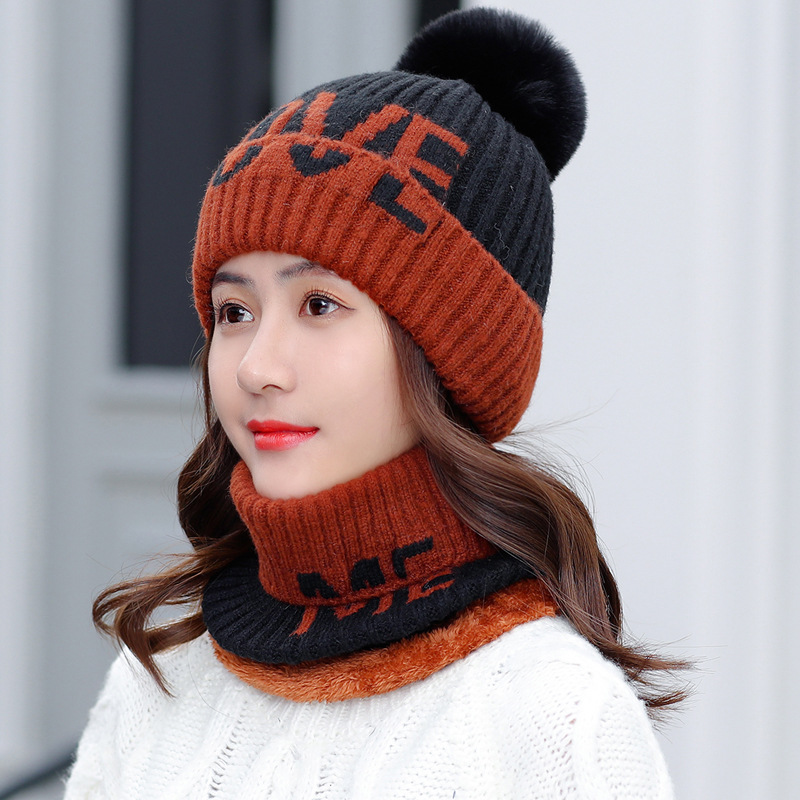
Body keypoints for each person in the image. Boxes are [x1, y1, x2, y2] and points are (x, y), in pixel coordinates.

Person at [65, 7, 685, 798]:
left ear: (453, 350)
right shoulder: (162, 677)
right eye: (235, 311)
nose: (257, 367)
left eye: (320, 304)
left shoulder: (550, 715)